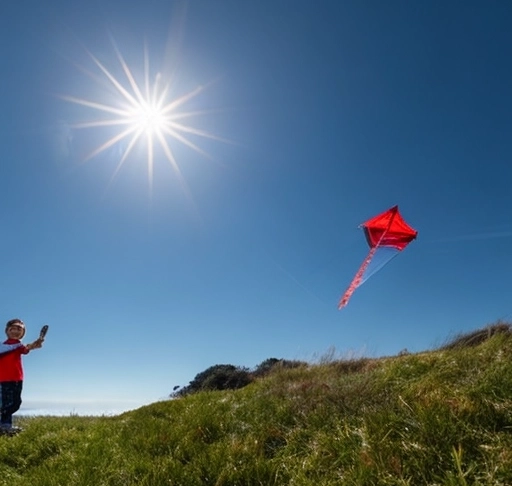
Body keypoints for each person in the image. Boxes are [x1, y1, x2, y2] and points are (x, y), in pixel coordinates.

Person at [0, 318, 44, 433]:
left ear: (23, 333)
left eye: (19, 329)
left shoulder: (18, 346)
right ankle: (5, 426)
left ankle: (4, 425)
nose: (15, 331)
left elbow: (26, 348)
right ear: (7, 331)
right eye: (12, 328)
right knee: (6, 403)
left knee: (15, 403)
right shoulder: (2, 346)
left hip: (17, 379)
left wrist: (35, 344)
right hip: (4, 379)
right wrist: (32, 346)